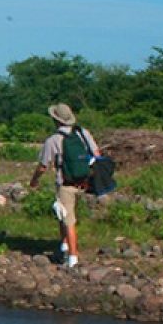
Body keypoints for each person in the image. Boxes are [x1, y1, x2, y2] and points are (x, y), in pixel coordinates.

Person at [28, 102, 100, 268]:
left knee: (68, 219)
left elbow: (43, 166)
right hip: (84, 182)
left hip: (65, 183)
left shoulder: (53, 140)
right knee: (62, 212)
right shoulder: (83, 133)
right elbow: (97, 154)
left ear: (56, 120)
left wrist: (34, 181)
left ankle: (73, 258)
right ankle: (64, 246)